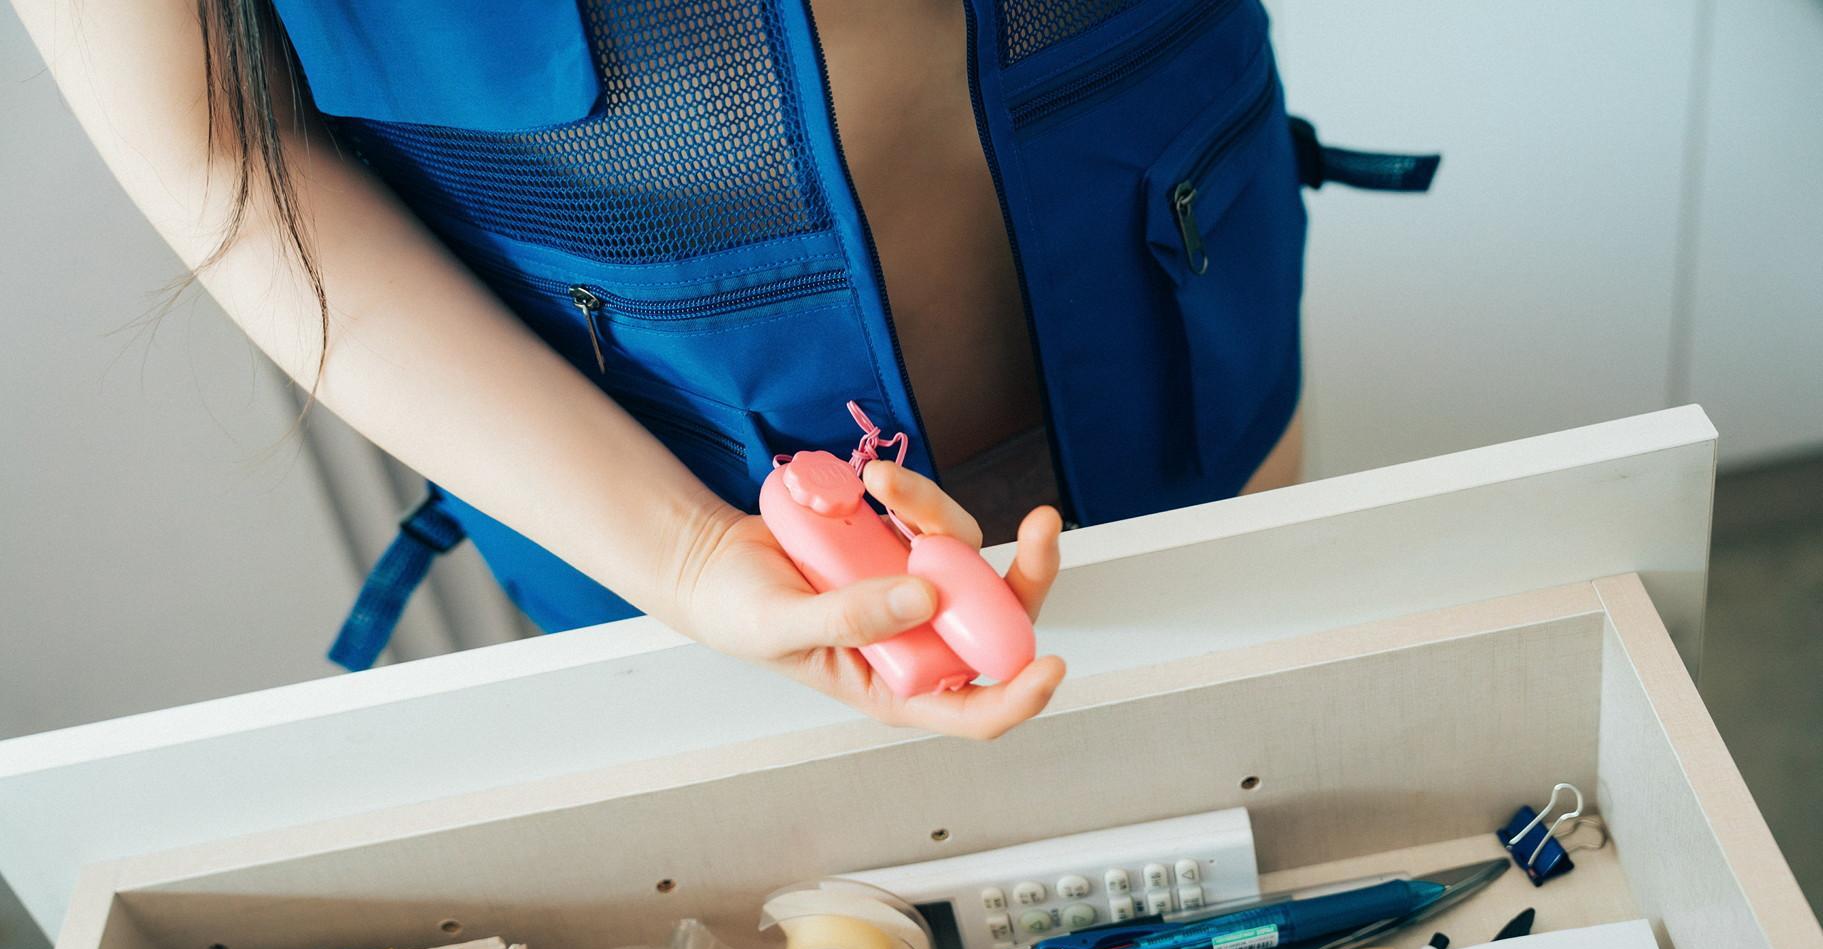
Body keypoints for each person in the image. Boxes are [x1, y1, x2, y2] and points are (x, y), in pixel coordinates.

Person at [13, 0, 1329, 739]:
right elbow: (222, 163)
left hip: (1178, 346)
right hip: (653, 502)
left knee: (1268, 744)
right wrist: (693, 562)